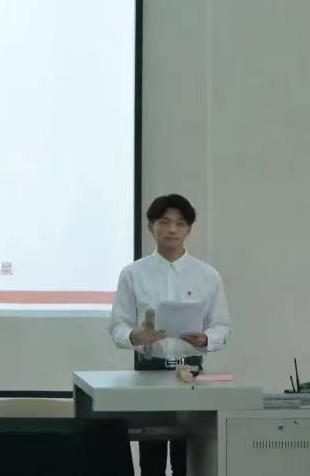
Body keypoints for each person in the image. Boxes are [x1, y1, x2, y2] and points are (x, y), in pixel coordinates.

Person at [109, 194, 232, 476]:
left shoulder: (207, 275)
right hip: (148, 373)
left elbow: (222, 326)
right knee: (151, 459)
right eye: (164, 222)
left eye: (180, 223)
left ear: (189, 229)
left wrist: (206, 339)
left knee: (189, 460)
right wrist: (135, 336)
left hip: (192, 375)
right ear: (151, 226)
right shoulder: (133, 274)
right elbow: (117, 327)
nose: (172, 230)